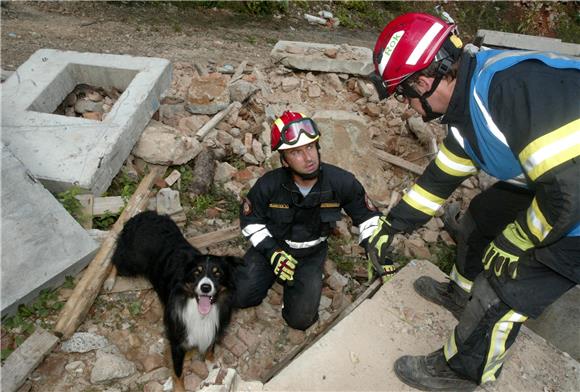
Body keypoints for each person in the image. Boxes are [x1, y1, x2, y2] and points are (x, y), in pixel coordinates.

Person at [370, 12, 580, 391]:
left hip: (575, 204)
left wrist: (518, 238)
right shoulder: (470, 98)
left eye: (404, 93)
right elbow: (440, 177)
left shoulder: (509, 92)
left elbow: (570, 197)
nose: (407, 106)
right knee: (481, 219)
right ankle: (460, 294)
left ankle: (462, 370)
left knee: (505, 285)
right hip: (561, 186)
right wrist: (393, 225)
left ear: (424, 80)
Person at [233, 111, 395, 330]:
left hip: (310, 256)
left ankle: (291, 295)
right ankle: (270, 277)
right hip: (273, 248)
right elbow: (251, 221)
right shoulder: (268, 185)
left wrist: (378, 249)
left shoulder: (342, 182)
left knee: (301, 321)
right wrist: (272, 253)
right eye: (296, 152)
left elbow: (368, 218)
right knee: (241, 295)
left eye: (310, 147)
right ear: (284, 160)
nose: (308, 158)